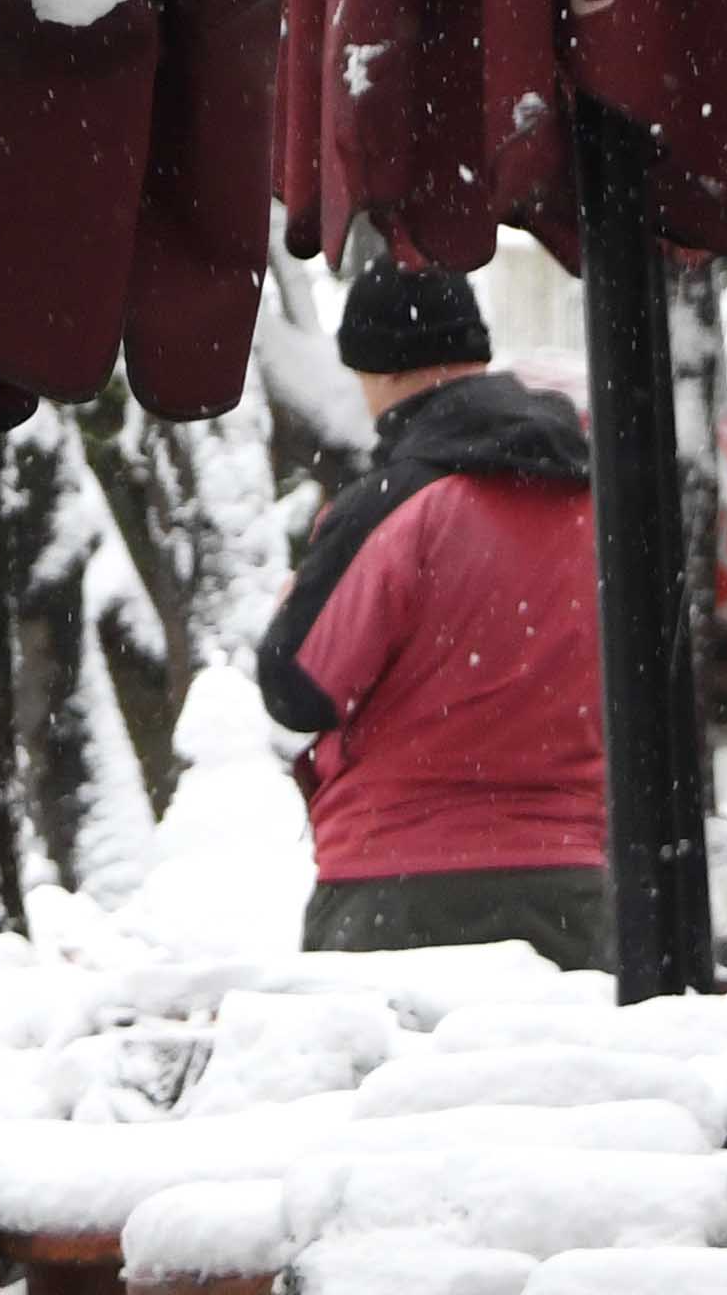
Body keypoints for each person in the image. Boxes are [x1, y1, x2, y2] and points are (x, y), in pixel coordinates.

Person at [254, 260, 610, 963]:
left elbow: (298, 686)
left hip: (399, 893)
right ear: (476, 352)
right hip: (575, 891)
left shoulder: (393, 504)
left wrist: (298, 598)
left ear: (371, 369)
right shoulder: (600, 502)